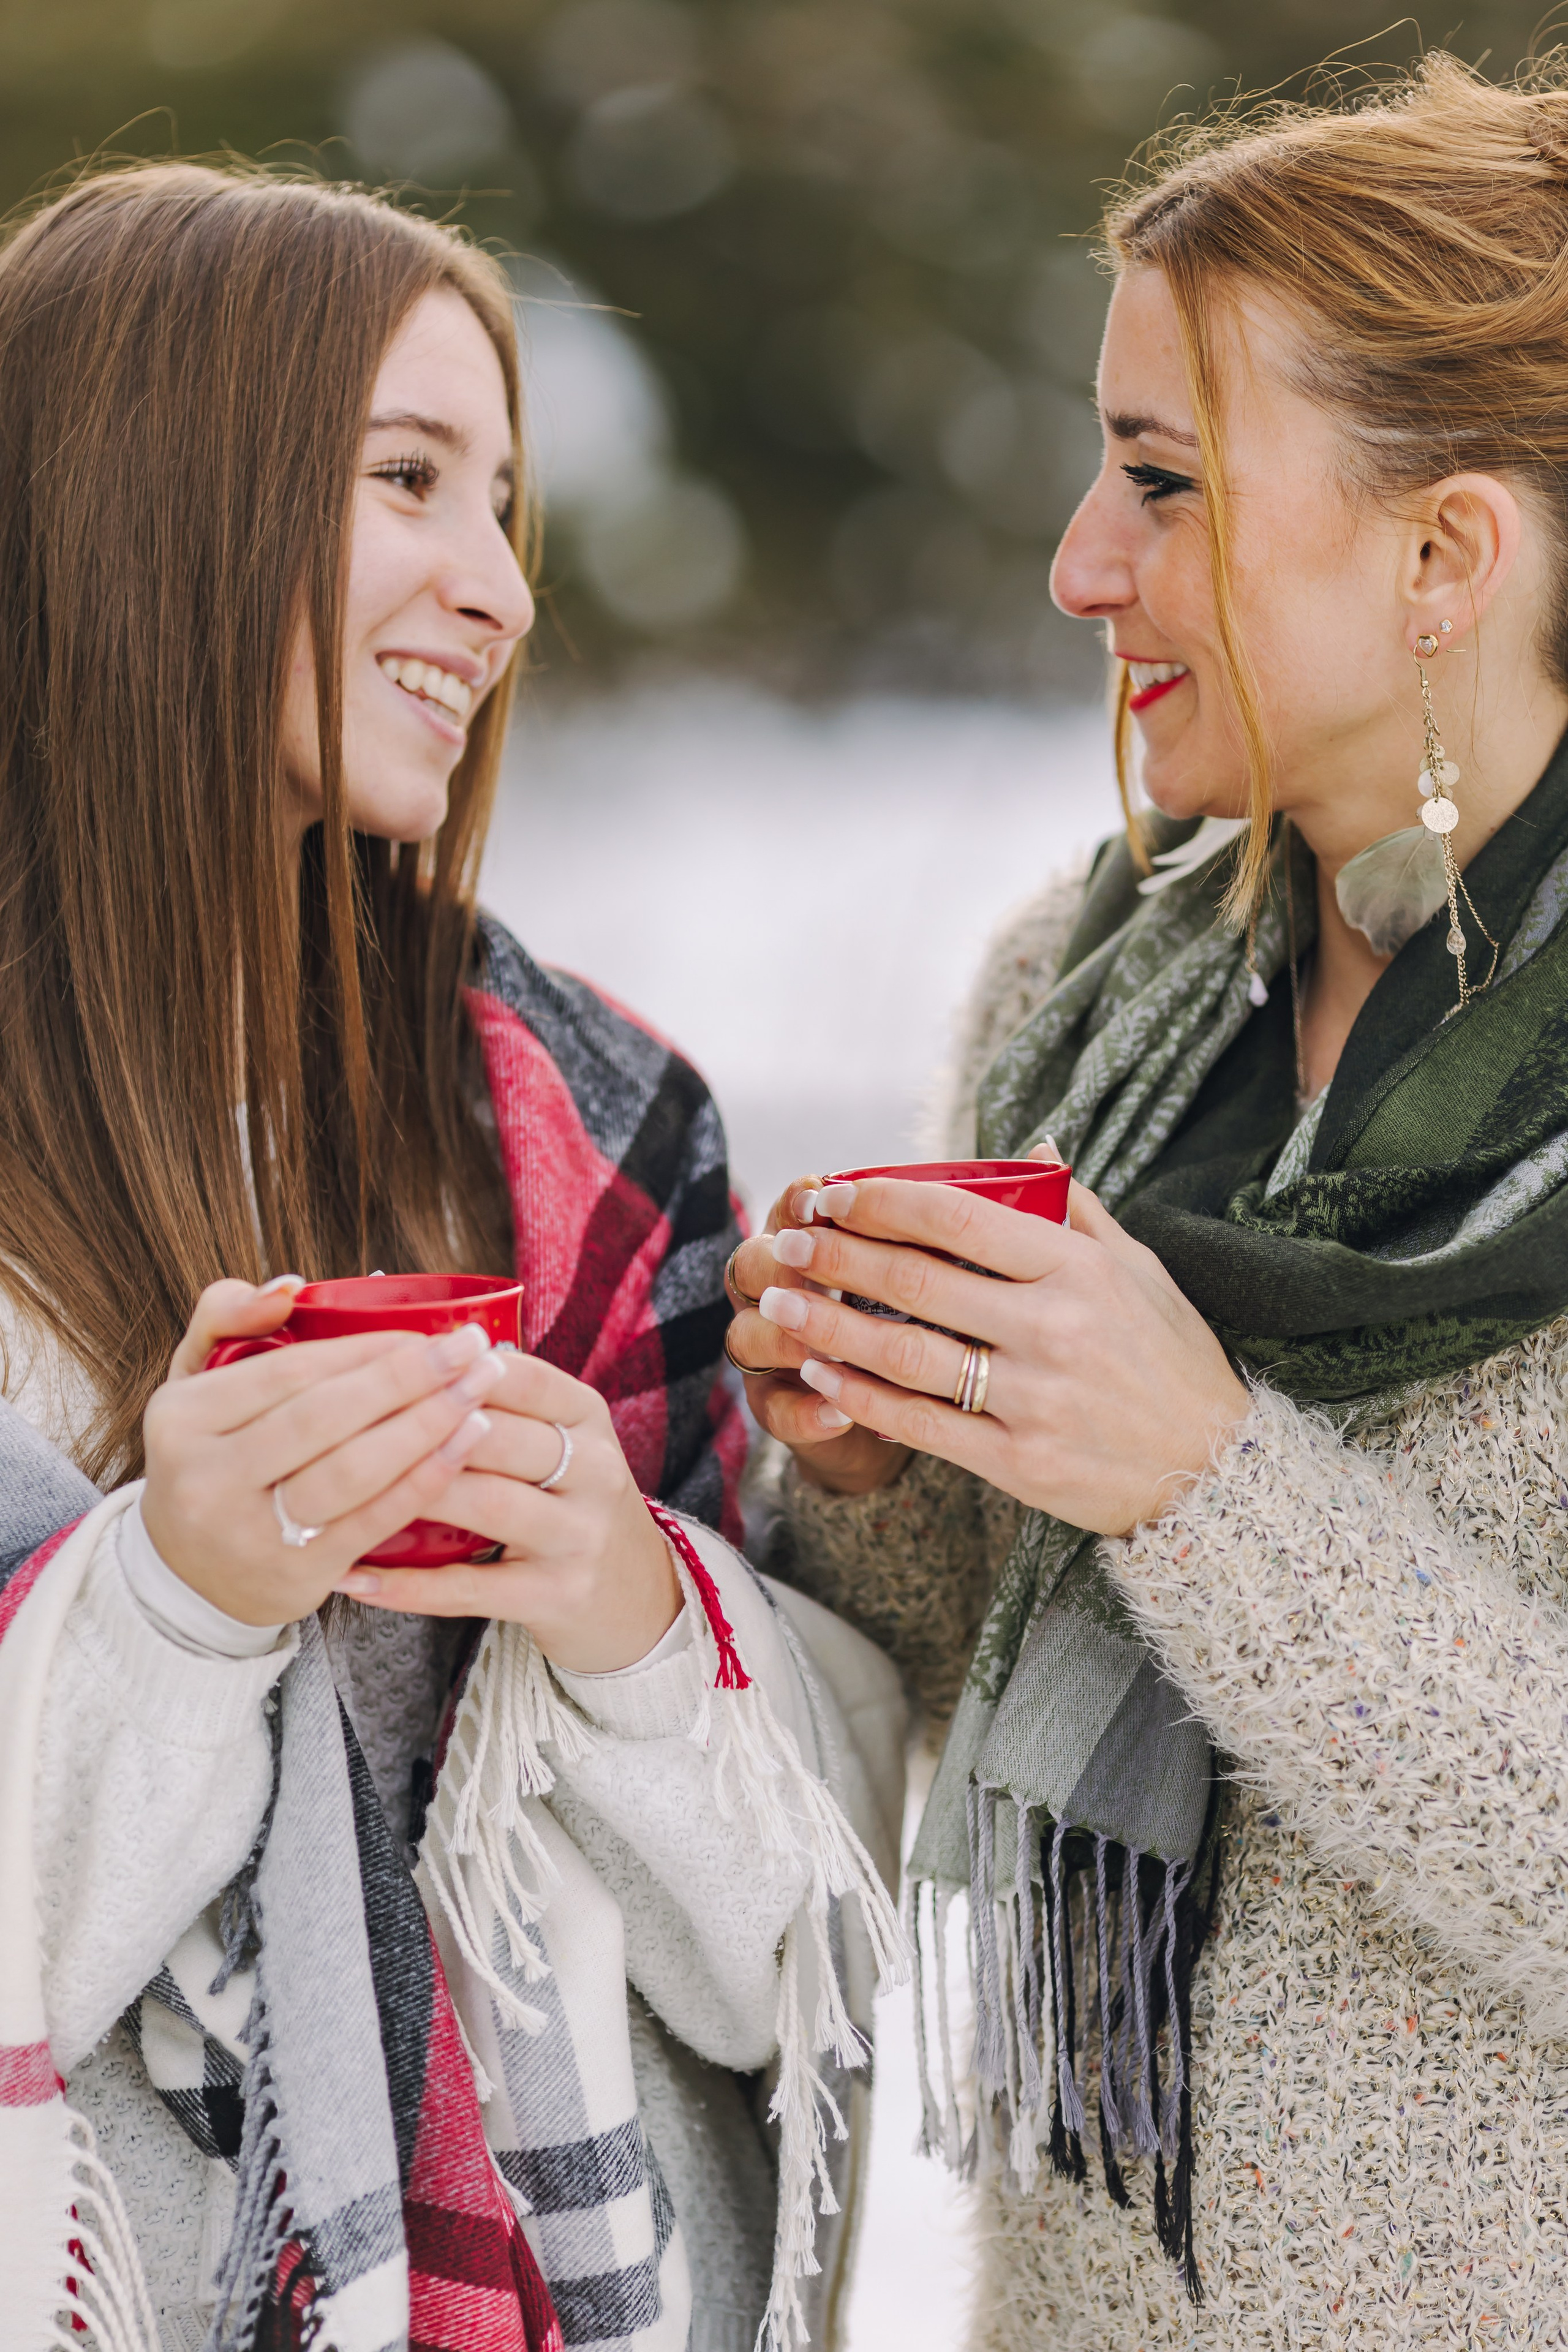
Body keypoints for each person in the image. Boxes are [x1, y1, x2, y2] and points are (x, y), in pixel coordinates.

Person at [0, 162, 906, 2352]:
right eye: (411, 479)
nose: (497, 593)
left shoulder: (599, 1130)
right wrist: (171, 1605)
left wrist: (620, 1608)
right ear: (151, 500)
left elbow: (803, 1929)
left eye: (505, 506)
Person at [728, 50, 1568, 2346]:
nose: (1082, 565)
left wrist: (1199, 1473)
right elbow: (939, 1673)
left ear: (1441, 558)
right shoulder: (1084, 993)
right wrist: (883, 1457)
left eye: (1163, 484)